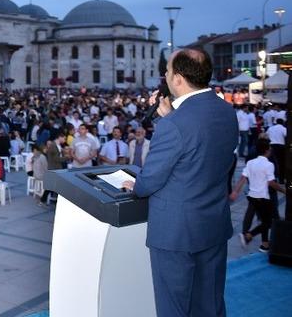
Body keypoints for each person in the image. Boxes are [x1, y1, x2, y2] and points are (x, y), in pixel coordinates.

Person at [122, 48, 237, 317]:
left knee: (174, 307)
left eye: (168, 71)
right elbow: (199, 153)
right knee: (209, 304)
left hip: (176, 233)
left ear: (178, 79)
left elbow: (149, 180)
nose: (165, 75)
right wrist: (171, 117)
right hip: (213, 224)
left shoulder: (173, 124)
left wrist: (136, 186)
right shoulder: (225, 111)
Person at [230, 139, 286, 253]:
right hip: (263, 197)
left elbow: (243, 178)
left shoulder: (251, 162)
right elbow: (271, 182)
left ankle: (265, 245)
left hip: (252, 196)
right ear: (267, 150)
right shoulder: (269, 165)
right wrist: (283, 190)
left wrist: (235, 191)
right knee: (268, 222)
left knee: (265, 220)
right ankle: (248, 236)